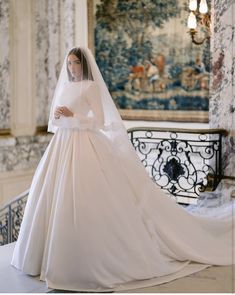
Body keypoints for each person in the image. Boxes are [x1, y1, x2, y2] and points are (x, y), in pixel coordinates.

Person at [11, 47, 234, 292]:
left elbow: (99, 121)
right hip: (62, 145)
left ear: (83, 65)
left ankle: (83, 261)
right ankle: (43, 257)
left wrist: (73, 116)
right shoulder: (65, 86)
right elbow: (55, 121)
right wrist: (58, 116)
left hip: (85, 145)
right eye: (69, 63)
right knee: (51, 196)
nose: (71, 68)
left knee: (85, 197)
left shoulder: (90, 87)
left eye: (75, 63)